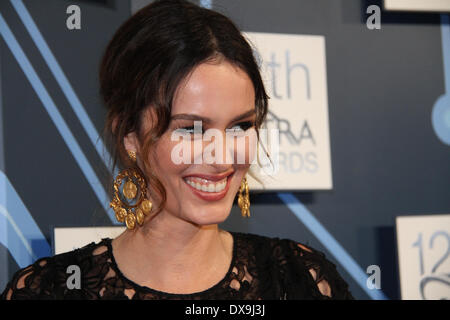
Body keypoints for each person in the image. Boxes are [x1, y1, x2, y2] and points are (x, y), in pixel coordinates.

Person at [1, 0, 353, 300]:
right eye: (190, 129)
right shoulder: (49, 290)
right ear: (130, 135)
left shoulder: (300, 280)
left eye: (240, 126)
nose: (221, 156)